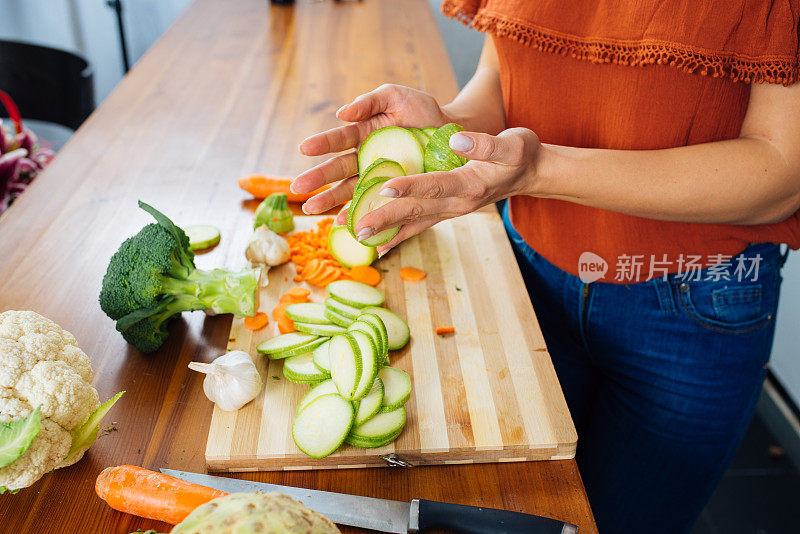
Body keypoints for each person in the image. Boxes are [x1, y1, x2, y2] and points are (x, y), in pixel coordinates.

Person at [290, 1, 800, 532]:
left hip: (693, 302)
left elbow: (782, 175)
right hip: (531, 270)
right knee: (530, 512)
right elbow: (503, 72)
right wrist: (447, 133)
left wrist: (541, 170)